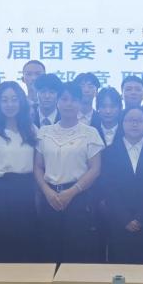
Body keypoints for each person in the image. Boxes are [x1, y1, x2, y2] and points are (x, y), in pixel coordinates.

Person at [34, 80, 104, 262]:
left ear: (80, 103)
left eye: (74, 100)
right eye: (64, 99)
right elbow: (38, 166)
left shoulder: (90, 132)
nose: (69, 104)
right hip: (49, 198)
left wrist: (71, 192)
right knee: (48, 250)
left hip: (79, 198)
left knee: (77, 251)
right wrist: (47, 191)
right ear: (57, 102)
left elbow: (95, 169)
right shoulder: (44, 131)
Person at [0, 81, 38, 262]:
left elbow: (38, 168)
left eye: (14, 99)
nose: (9, 104)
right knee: (0, 249)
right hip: (0, 194)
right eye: (4, 100)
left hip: (27, 193)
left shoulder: (32, 130)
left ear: (21, 102)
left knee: (27, 248)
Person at [100, 106, 143, 263]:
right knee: (120, 268)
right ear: (122, 123)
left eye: (139, 120)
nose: (135, 124)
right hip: (118, 222)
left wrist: (141, 218)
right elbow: (108, 188)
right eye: (130, 120)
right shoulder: (109, 152)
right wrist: (125, 218)